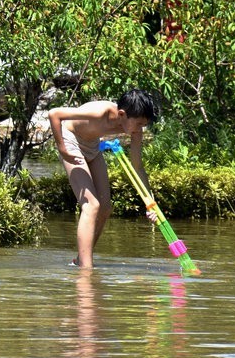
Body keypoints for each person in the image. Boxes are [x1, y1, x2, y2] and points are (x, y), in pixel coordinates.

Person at [48, 89, 159, 269]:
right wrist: (62, 149)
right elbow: (55, 114)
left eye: (143, 125)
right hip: (71, 141)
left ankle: (80, 260)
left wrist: (150, 203)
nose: (140, 129)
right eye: (138, 124)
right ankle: (86, 270)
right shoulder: (100, 112)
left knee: (105, 208)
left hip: (92, 146)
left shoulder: (135, 130)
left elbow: (137, 167)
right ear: (122, 114)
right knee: (91, 205)